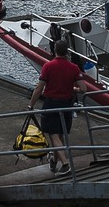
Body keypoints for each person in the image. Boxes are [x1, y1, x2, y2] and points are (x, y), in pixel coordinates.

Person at [30, 38, 83, 176]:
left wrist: (31, 104)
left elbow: (39, 88)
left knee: (53, 134)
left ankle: (65, 164)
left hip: (51, 104)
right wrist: (74, 89)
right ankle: (54, 161)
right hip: (67, 104)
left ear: (54, 51)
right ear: (67, 52)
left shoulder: (48, 66)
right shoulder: (74, 68)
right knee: (60, 134)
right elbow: (84, 88)